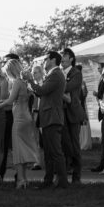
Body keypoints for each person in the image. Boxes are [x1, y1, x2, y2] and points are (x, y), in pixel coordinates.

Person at [0, 60, 37, 189]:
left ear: (10, 70)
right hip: (26, 117)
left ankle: (21, 180)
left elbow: (10, 101)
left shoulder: (17, 82)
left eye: (6, 72)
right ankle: (24, 179)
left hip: (19, 118)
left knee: (17, 150)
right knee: (22, 149)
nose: (6, 74)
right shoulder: (25, 82)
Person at [26, 52, 68, 189]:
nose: (44, 61)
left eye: (45, 59)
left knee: (55, 152)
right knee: (49, 152)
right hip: (48, 117)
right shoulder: (52, 74)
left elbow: (42, 90)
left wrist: (30, 80)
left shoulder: (56, 74)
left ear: (53, 60)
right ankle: (48, 180)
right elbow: (40, 92)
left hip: (52, 117)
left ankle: (61, 181)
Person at [59, 49, 86, 186]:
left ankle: (76, 176)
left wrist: (55, 85)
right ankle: (63, 175)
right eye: (61, 56)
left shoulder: (76, 73)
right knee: (64, 144)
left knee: (75, 146)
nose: (61, 58)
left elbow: (67, 87)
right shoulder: (58, 72)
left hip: (73, 113)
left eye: (64, 56)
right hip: (60, 113)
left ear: (71, 59)